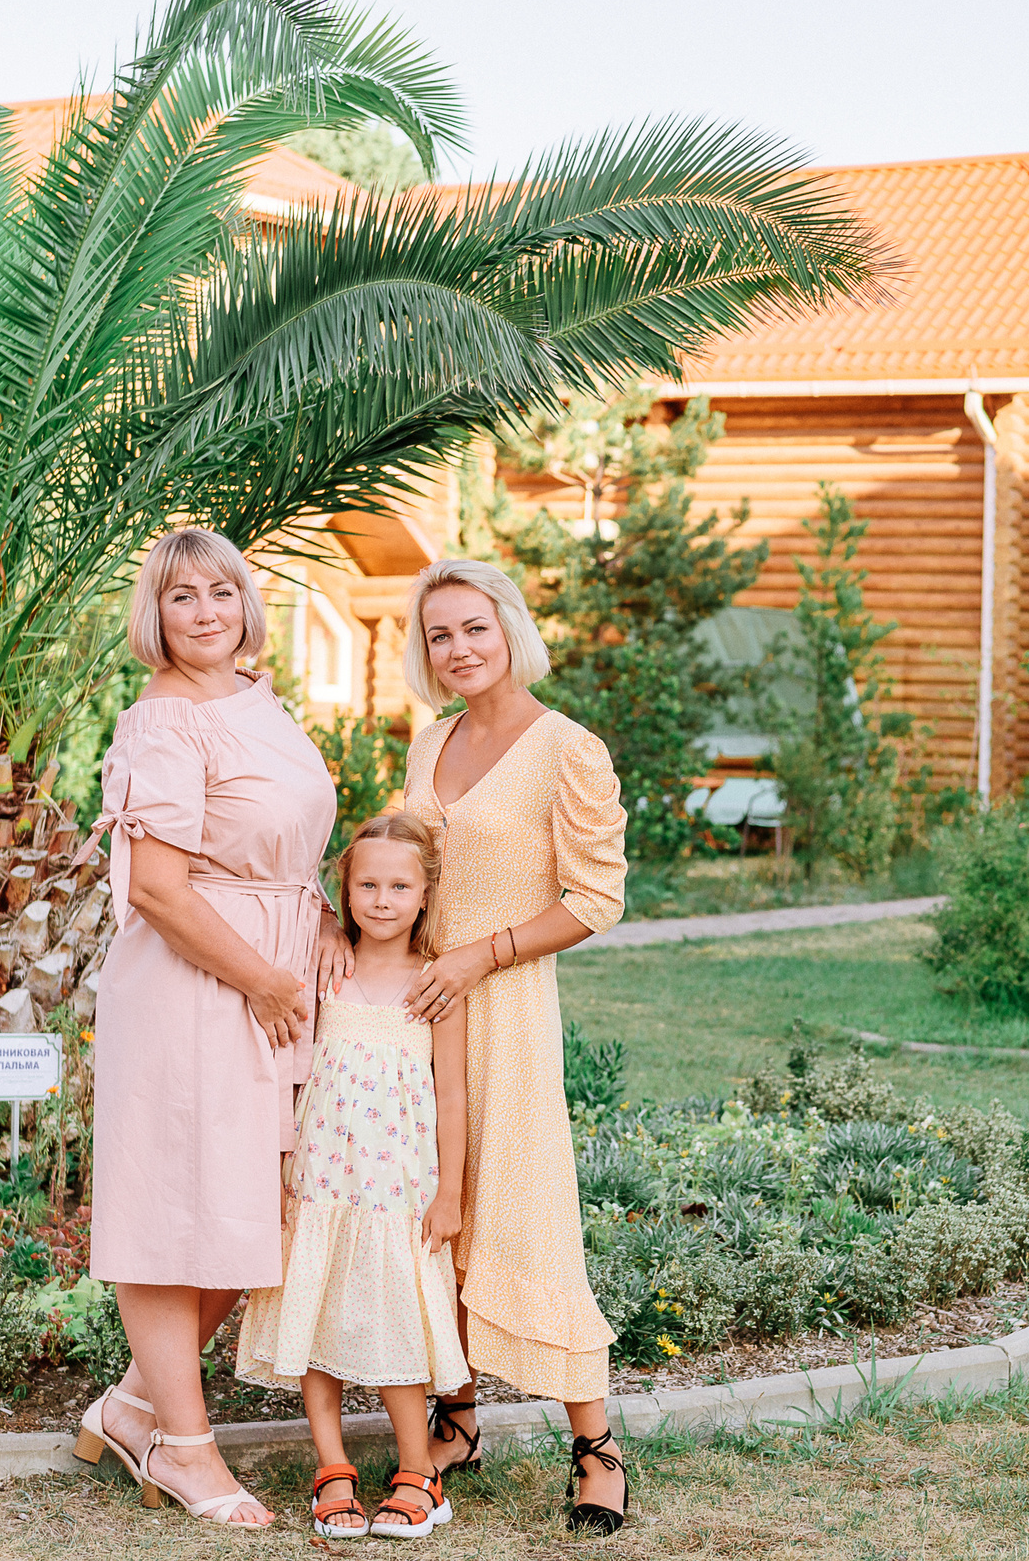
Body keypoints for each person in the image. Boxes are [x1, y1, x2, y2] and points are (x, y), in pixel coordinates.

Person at [72, 526, 348, 1531]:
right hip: (196, 989)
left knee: (254, 1211)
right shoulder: (163, 722)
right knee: (172, 1217)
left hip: (272, 977)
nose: (204, 612)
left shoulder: (256, 699)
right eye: (181, 596)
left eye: (220, 592)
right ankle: (185, 1449)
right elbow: (156, 888)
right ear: (155, 614)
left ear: (246, 604)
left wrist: (320, 922)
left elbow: (281, 843)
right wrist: (266, 979)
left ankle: (133, 1407)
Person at [398, 558, 633, 1534]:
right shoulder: (429, 741)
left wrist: (480, 955)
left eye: (474, 628)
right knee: (434, 1210)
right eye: (440, 634)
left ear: (509, 631)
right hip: (420, 1008)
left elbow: (596, 897)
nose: (459, 648)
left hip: (507, 1009)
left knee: (527, 1214)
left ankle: (597, 1448)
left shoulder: (566, 748)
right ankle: (456, 1419)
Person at [236, 813, 471, 1540]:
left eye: (400, 886)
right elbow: (290, 1071)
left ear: (425, 894)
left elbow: (454, 1095)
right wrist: (277, 1164)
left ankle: (419, 1470)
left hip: (398, 1192)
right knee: (315, 1311)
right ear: (346, 891)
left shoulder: (436, 984)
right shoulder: (324, 971)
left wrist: (451, 1193)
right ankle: (332, 1467)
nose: (382, 900)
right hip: (321, 1185)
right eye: (367, 885)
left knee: (398, 1320)